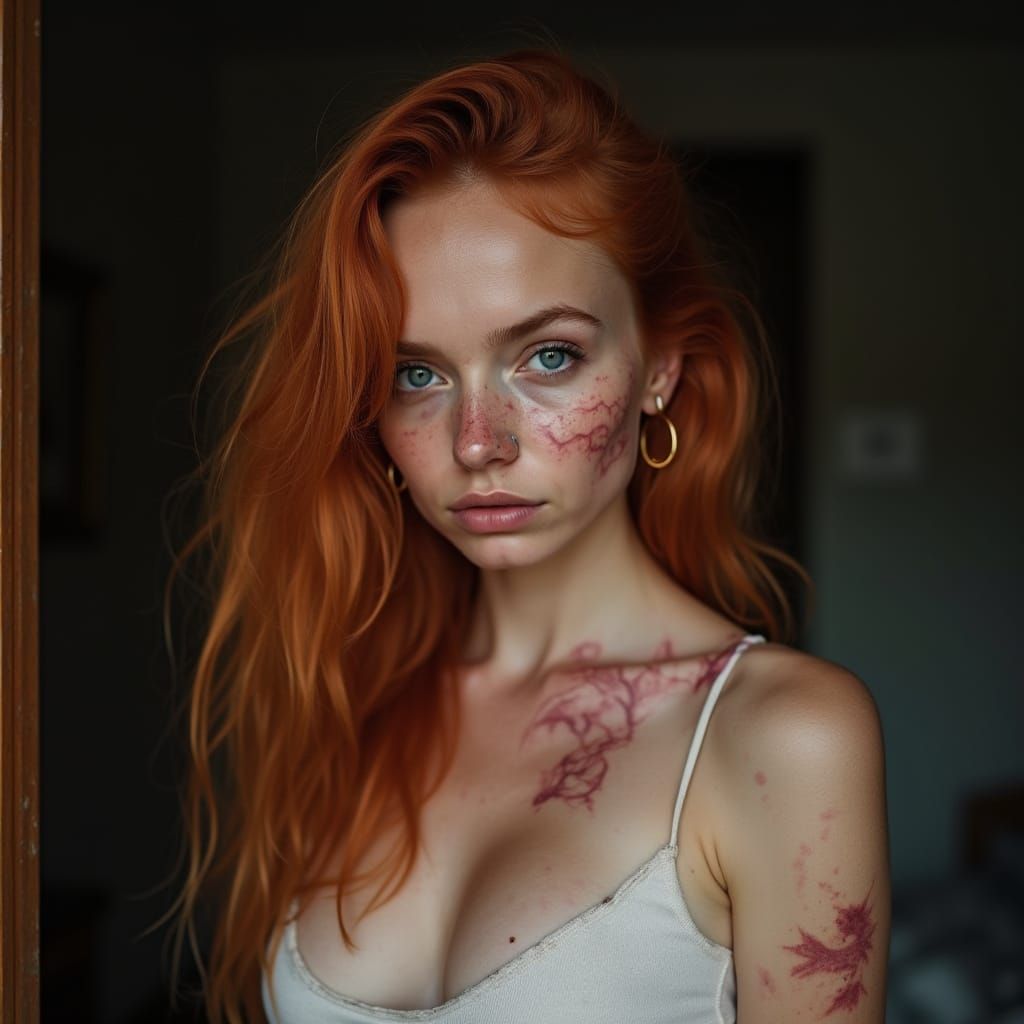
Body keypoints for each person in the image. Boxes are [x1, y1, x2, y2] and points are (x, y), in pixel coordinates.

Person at [167, 46, 890, 1024]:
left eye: (548, 355)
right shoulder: (349, 692)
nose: (477, 442)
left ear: (659, 366)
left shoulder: (781, 736)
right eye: (416, 374)